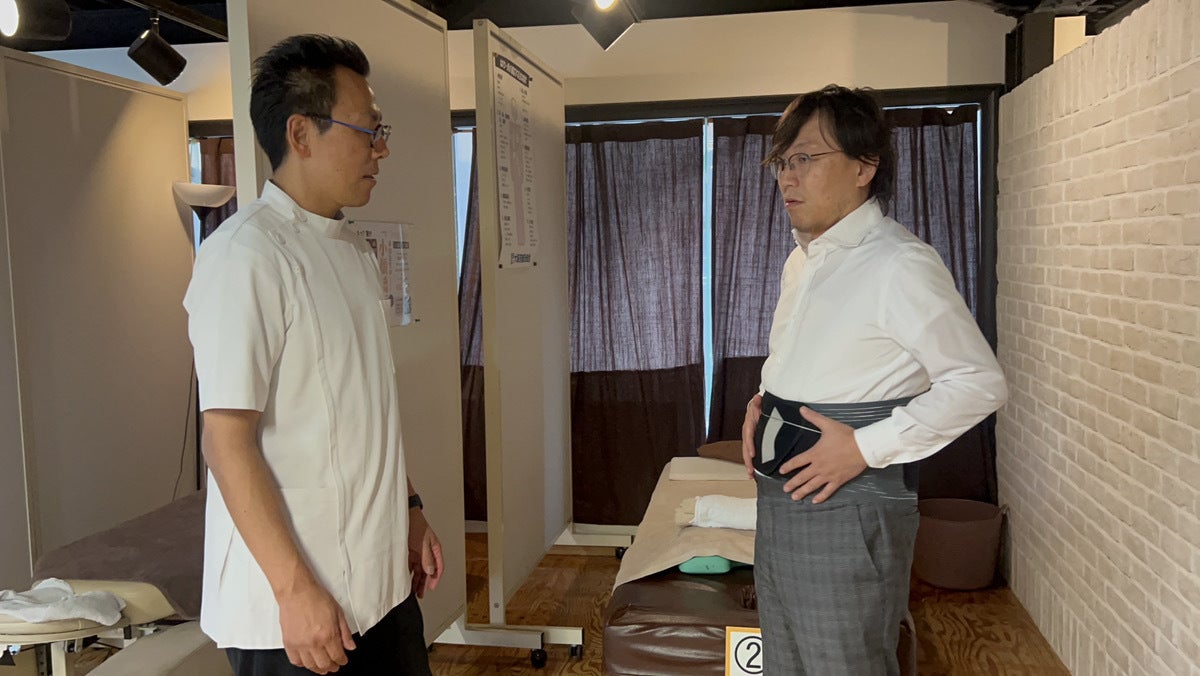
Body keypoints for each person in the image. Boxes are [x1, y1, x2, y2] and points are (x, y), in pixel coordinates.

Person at [183, 34, 443, 676]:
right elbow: (226, 440)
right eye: (368, 130)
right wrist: (294, 591)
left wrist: (409, 510)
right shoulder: (245, 256)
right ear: (301, 134)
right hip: (296, 610)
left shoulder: (353, 250)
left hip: (381, 586)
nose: (381, 148)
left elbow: (365, 414)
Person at [740, 85, 1007, 675]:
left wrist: (865, 447)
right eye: (781, 161)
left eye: (806, 158)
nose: (787, 177)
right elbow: (817, 358)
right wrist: (764, 401)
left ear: (865, 167)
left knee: (844, 663)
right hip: (781, 495)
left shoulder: (898, 263)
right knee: (786, 661)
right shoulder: (802, 259)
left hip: (849, 501)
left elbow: (979, 382)